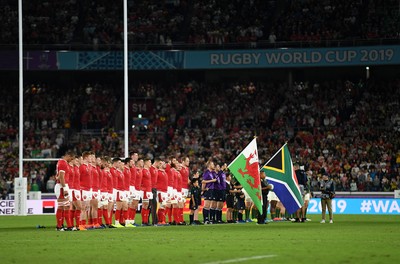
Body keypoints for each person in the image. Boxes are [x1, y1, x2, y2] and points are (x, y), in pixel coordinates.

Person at [55, 150, 74, 231]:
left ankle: (62, 226)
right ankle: (62, 226)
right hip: (61, 186)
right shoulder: (63, 163)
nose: (71, 160)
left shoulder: (61, 162)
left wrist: (57, 177)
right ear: (68, 156)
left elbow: (59, 176)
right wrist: (65, 188)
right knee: (64, 206)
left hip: (61, 185)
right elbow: (62, 177)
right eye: (71, 158)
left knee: (64, 206)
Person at [201, 159, 217, 224]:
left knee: (209, 205)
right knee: (206, 205)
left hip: (211, 190)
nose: (214, 165)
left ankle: (207, 219)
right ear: (209, 165)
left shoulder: (211, 173)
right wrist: (203, 190)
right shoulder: (206, 172)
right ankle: (205, 219)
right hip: (208, 190)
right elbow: (203, 181)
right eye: (213, 164)